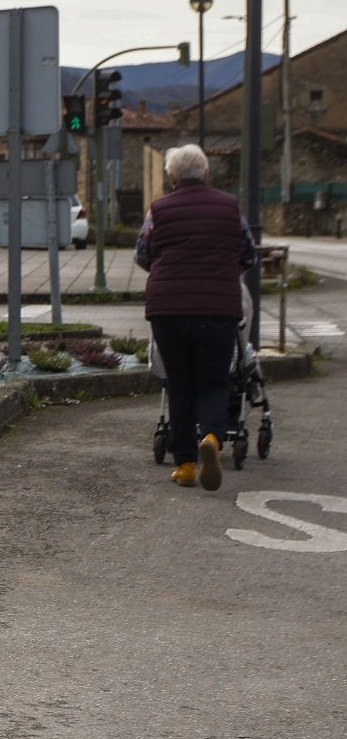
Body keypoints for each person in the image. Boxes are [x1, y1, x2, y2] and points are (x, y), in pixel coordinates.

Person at [134, 144, 257, 490]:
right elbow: (248, 256)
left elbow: (143, 254)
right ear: (206, 173)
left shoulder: (157, 210)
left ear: (172, 177)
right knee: (215, 381)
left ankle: (186, 465)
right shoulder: (231, 208)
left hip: (168, 307)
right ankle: (213, 440)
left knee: (180, 384)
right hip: (218, 306)